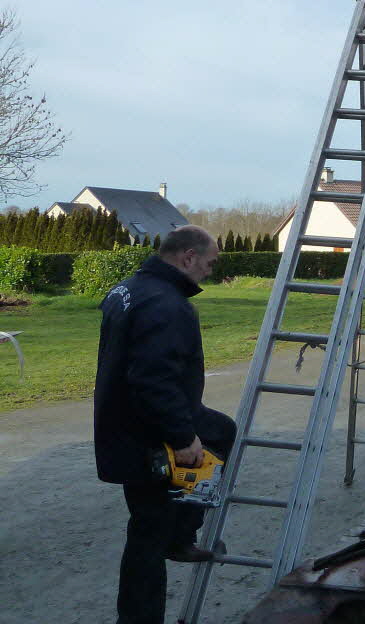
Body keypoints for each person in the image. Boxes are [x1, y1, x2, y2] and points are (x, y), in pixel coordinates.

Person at [94, 225, 236, 624]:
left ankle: (182, 533)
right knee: (148, 536)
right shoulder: (167, 305)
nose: (210, 271)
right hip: (146, 437)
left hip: (124, 424)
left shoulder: (129, 289)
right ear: (188, 257)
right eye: (210, 263)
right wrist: (183, 437)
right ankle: (143, 610)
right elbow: (153, 379)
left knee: (221, 430)